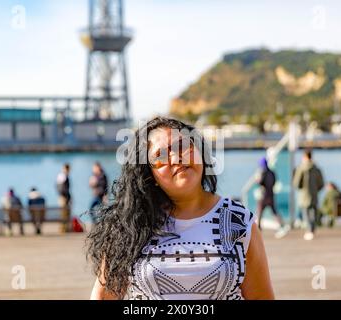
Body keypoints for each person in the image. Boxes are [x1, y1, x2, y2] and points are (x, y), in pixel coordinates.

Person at [87, 117, 274, 300]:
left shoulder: (239, 221)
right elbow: (103, 297)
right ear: (149, 174)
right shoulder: (130, 225)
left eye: (183, 146)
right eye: (160, 155)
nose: (177, 158)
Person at [292, 149, 324, 241]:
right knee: (313, 213)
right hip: (314, 194)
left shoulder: (301, 168)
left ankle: (309, 231)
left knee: (306, 214)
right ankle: (312, 230)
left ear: (304, 157)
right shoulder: (316, 168)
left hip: (304, 195)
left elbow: (296, 183)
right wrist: (316, 189)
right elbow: (321, 183)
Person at [255, 157, 289, 238]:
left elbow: (260, 182)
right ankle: (282, 225)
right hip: (271, 194)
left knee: (260, 212)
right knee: (274, 211)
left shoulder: (263, 172)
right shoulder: (272, 172)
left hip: (264, 196)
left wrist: (257, 180)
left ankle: (258, 230)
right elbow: (274, 182)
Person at [56, 163, 72, 233]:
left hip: (65, 197)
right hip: (64, 197)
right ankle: (63, 229)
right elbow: (62, 189)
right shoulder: (62, 176)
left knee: (66, 213)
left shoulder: (63, 176)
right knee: (63, 213)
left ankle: (65, 228)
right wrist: (66, 196)